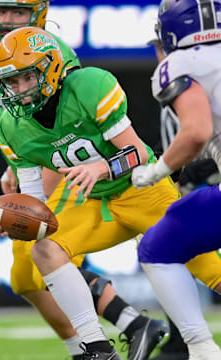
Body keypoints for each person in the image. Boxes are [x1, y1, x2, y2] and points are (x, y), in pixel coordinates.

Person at [0, 2, 168, 359]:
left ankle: (98, 344)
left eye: (16, 12)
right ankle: (119, 331)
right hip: (35, 163)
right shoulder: (0, 51)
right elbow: (24, 131)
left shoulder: (53, 53)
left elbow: (62, 128)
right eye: (0, 11)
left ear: (38, 14)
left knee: (42, 251)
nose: (5, 20)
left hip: (76, 167)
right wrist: (17, 168)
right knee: (29, 271)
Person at [131, 0, 221, 359]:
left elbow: (196, 132)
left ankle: (200, 349)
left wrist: (156, 171)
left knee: (158, 247)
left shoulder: (180, 63)